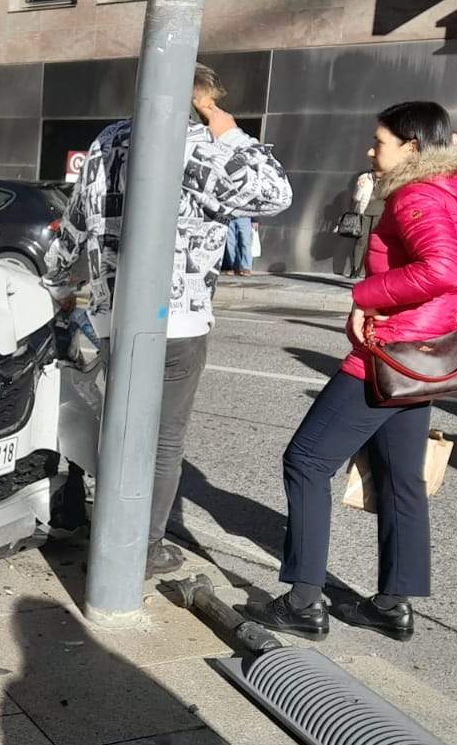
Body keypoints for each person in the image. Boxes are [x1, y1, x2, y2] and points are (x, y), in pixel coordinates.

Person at [249, 101, 457, 641]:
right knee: (401, 478)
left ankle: (304, 602)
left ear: (413, 149)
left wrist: (365, 294)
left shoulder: (417, 193)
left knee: (306, 461)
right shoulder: (448, 191)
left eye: (380, 141)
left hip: (387, 354)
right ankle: (391, 604)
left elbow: (440, 270)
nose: (370, 150)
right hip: (420, 359)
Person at [46, 63, 292, 571]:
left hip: (115, 317)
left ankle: (109, 534)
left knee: (122, 429)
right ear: (199, 100)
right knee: (163, 442)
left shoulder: (107, 141)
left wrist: (60, 284)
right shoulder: (199, 144)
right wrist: (227, 129)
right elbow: (275, 193)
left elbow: (74, 220)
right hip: (178, 321)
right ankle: (144, 548)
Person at [350, 169, 383, 277]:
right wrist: (360, 187)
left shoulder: (389, 177)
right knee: (361, 241)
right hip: (365, 211)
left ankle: (370, 271)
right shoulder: (365, 177)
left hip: (381, 213)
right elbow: (356, 197)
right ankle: (355, 269)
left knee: (374, 243)